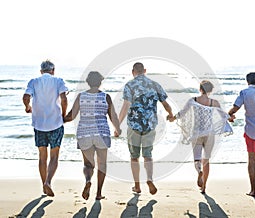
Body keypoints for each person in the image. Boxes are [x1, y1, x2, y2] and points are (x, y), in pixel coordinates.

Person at [64, 71, 121, 200]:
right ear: (100, 82)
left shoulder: (81, 96)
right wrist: (117, 129)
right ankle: (99, 193)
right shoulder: (106, 97)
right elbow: (113, 116)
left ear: (88, 82)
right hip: (101, 133)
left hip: (84, 133)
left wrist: (58, 119)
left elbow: (71, 116)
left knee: (88, 165)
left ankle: (88, 180)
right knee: (102, 165)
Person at [119, 62, 174, 195]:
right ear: (145, 70)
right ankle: (149, 178)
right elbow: (166, 104)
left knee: (134, 157)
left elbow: (126, 106)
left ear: (133, 72)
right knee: (148, 155)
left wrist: (117, 124)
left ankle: (137, 186)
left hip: (134, 125)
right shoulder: (154, 84)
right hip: (150, 125)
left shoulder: (129, 85)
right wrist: (171, 114)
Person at [169, 80, 232, 194]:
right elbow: (224, 116)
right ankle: (204, 187)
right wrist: (231, 117)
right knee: (206, 160)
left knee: (197, 159)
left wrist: (173, 118)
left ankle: (199, 172)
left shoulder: (193, 100)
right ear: (210, 90)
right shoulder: (214, 102)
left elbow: (182, 113)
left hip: (196, 133)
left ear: (200, 89)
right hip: (210, 134)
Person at [23, 60, 68, 197]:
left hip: (39, 124)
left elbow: (26, 97)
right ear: (53, 70)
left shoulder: (34, 81)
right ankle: (48, 182)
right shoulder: (59, 81)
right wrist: (63, 115)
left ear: (41, 71)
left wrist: (28, 107)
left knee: (42, 157)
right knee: (54, 157)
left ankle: (44, 185)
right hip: (55, 124)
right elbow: (64, 99)